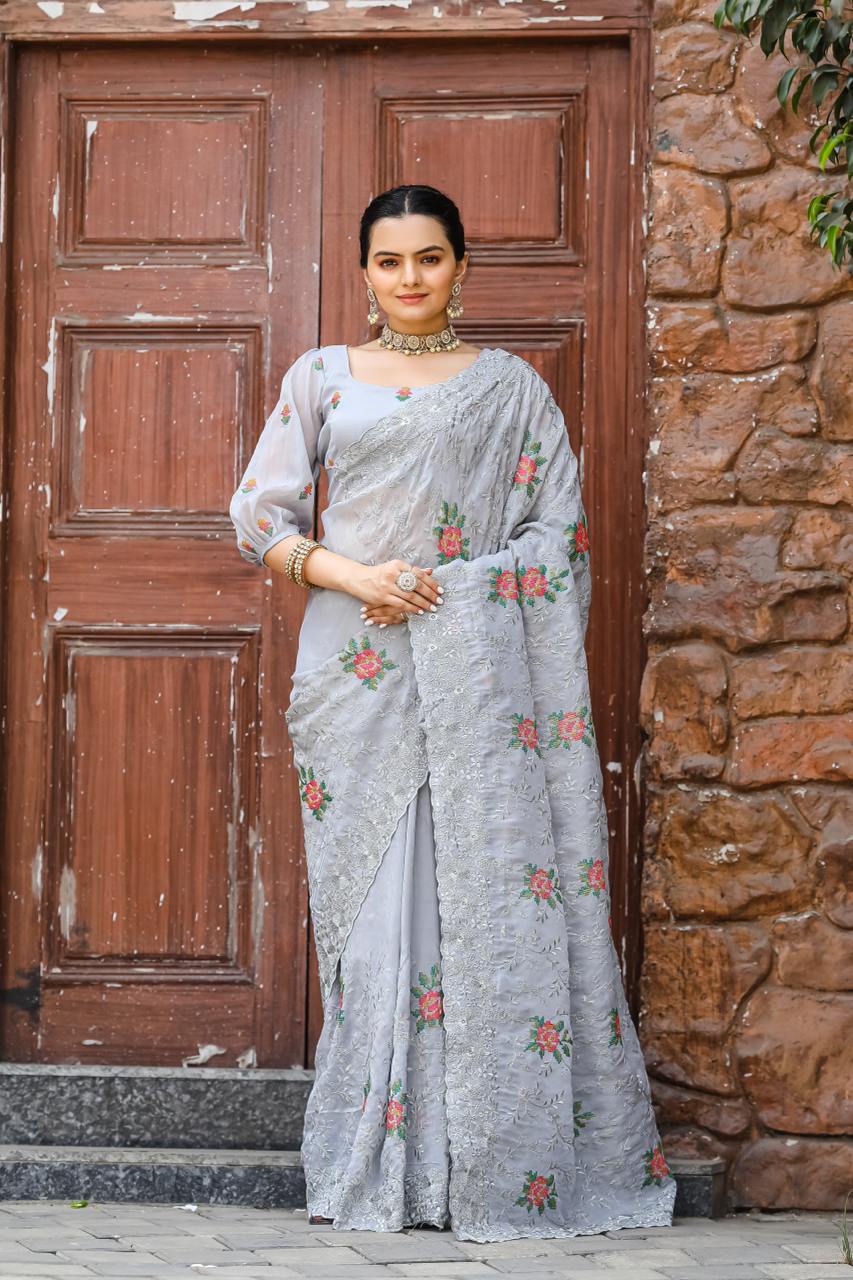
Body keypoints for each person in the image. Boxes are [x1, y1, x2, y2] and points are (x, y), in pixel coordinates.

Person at [229, 184, 677, 1243]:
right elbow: (257, 514)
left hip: (475, 674)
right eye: (389, 261)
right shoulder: (320, 378)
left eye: (429, 258)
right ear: (364, 271)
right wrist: (358, 576)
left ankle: (483, 1162)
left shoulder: (509, 389)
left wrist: (457, 592)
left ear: (461, 265)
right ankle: (381, 1168)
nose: (410, 278)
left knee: (479, 900)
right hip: (353, 670)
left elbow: (557, 539)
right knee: (374, 921)